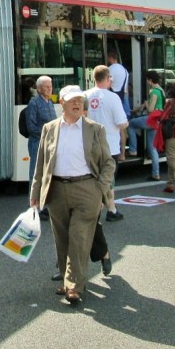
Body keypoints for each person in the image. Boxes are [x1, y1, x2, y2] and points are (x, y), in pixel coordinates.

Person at [30, 84, 116, 305]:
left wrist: (100, 189)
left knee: (79, 238)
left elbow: (108, 163)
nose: (78, 103)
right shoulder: (49, 128)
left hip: (87, 189)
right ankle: (68, 281)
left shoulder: (95, 129)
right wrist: (36, 192)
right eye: (72, 100)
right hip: (56, 190)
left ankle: (74, 286)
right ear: (62, 104)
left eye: (80, 99)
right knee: (62, 239)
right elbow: (41, 163)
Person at [84, 65, 128, 221]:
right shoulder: (113, 97)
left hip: (89, 145)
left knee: (92, 177)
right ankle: (107, 210)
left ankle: (111, 209)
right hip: (110, 145)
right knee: (108, 180)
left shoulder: (85, 96)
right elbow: (122, 123)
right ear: (108, 78)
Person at [127, 70, 165, 179]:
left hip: (151, 119)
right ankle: (155, 174)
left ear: (150, 80)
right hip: (157, 121)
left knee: (131, 124)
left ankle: (133, 150)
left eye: (147, 80)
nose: (147, 82)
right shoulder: (161, 90)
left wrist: (147, 104)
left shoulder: (153, 92)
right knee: (152, 148)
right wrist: (137, 109)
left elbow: (150, 109)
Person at [25, 75, 57, 182]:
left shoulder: (50, 103)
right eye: (46, 87)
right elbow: (31, 127)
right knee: (36, 174)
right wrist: (47, 134)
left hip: (50, 143)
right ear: (39, 89)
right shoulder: (33, 104)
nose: (49, 89)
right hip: (37, 144)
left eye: (50, 86)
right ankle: (33, 198)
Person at [107, 50, 131, 117]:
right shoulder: (125, 70)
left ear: (110, 58)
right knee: (125, 117)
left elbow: (108, 84)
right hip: (124, 96)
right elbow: (126, 88)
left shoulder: (109, 69)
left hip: (113, 96)